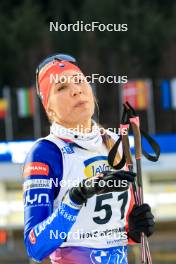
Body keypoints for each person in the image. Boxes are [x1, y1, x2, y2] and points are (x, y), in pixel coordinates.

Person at [23, 54, 155, 264]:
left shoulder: (115, 141)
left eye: (79, 81)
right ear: (49, 108)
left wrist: (135, 228)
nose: (75, 89)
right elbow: (35, 247)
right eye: (61, 88)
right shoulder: (46, 152)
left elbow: (118, 227)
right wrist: (75, 198)